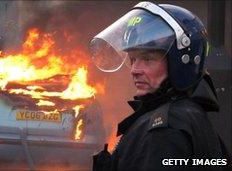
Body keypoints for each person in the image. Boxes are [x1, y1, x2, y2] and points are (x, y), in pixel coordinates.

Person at [90, 2, 230, 171]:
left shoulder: (163, 132)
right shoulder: (192, 115)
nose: (134, 70)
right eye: (132, 59)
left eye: (147, 59)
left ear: (180, 63)